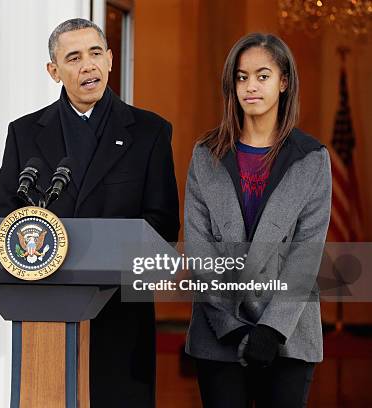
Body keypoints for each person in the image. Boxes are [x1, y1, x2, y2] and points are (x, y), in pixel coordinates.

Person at [0, 18, 180, 407]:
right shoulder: (24, 133)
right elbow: (5, 220)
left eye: (95, 53)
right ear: (54, 71)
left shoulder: (149, 132)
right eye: (73, 58)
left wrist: (103, 255)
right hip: (45, 313)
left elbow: (163, 225)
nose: (88, 65)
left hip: (121, 312)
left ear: (111, 59)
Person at [184, 33, 331, 407]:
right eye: (241, 77)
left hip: (289, 336)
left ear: (283, 82)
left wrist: (270, 330)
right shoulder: (205, 155)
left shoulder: (312, 158)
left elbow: (306, 256)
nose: (250, 86)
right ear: (231, 85)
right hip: (218, 335)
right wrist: (232, 328)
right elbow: (200, 250)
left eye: (262, 76)